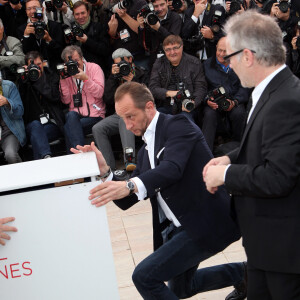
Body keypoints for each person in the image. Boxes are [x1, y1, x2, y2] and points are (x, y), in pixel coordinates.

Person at [72, 81, 247, 300]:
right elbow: (128, 200)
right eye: (122, 119)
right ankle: (245, 274)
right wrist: (106, 171)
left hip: (205, 223)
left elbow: (172, 169)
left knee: (144, 276)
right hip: (179, 229)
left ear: (148, 106)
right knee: (182, 289)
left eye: (130, 116)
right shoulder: (145, 152)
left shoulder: (178, 125)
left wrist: (129, 184)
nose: (127, 126)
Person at [203, 10, 300, 299]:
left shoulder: (287, 101)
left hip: (285, 252)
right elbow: (270, 145)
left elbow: (279, 176)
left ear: (247, 56)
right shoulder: (270, 92)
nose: (229, 65)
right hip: (265, 246)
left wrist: (226, 175)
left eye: (229, 57)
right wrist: (231, 158)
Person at [92, 48, 148, 171]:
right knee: (98, 128)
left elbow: (147, 97)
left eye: (123, 63)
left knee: (124, 119)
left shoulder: (142, 73)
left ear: (130, 60)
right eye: (117, 64)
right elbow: (107, 99)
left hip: (138, 113)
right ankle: (108, 166)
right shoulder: (114, 77)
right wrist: (113, 77)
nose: (121, 67)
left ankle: (129, 160)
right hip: (119, 114)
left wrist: (132, 82)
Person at [202, 36, 250, 151]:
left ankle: (240, 148)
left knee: (239, 112)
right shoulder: (206, 65)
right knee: (209, 114)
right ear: (216, 48)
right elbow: (202, 87)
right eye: (220, 50)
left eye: (226, 51)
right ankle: (205, 152)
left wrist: (235, 101)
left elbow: (245, 87)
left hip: (234, 100)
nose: (222, 54)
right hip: (214, 103)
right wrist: (207, 99)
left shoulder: (241, 64)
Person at [149, 35, 207, 122]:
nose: (172, 52)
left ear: (182, 47)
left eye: (175, 48)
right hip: (166, 106)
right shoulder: (159, 63)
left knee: (183, 121)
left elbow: (201, 88)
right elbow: (153, 88)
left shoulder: (194, 63)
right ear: (164, 51)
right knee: (153, 120)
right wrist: (169, 93)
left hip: (187, 106)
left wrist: (193, 104)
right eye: (168, 49)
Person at [19, 51, 65, 159]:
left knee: (37, 136)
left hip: (51, 124)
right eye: (33, 65)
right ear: (26, 67)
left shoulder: (51, 77)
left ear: (43, 63)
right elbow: (22, 103)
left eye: (39, 64)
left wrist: (39, 81)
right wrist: (25, 81)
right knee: (35, 126)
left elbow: (54, 97)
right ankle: (46, 157)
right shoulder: (24, 82)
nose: (37, 67)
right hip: (32, 125)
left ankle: (43, 160)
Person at [59, 45, 105, 150]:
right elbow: (65, 100)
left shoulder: (94, 68)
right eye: (71, 62)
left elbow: (99, 93)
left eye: (76, 60)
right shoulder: (66, 74)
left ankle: (77, 155)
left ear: (82, 58)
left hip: (95, 115)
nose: (75, 64)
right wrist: (62, 79)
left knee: (68, 128)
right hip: (75, 116)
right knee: (71, 116)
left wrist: (86, 79)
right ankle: (80, 153)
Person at [17, 0, 65, 70]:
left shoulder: (55, 26)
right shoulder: (21, 29)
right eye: (29, 9)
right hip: (34, 70)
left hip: (54, 69)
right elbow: (24, 55)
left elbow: (61, 53)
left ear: (42, 9)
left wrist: (49, 40)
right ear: (26, 12)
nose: (32, 11)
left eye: (35, 8)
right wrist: (26, 36)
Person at [137, 0, 182, 67]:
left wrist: (159, 28)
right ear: (152, 6)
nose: (160, 9)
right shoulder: (150, 18)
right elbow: (145, 45)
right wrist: (141, 27)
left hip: (172, 60)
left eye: (162, 5)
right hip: (155, 61)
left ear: (167, 2)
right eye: (156, 6)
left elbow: (174, 41)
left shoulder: (175, 17)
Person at [71, 1, 110, 76]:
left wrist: (87, 41)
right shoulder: (71, 30)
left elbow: (105, 50)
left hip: (97, 72)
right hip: (77, 72)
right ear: (73, 15)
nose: (80, 16)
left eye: (83, 13)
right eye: (77, 14)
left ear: (88, 12)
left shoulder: (99, 27)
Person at [0, 76, 26, 164]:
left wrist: (7, 102)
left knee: (10, 155)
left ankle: (22, 175)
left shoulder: (9, 86)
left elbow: (20, 111)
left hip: (9, 132)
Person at [0, 19, 25, 83]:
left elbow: (21, 59)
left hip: (10, 84)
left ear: (2, 29)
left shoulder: (12, 42)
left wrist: (1, 60)